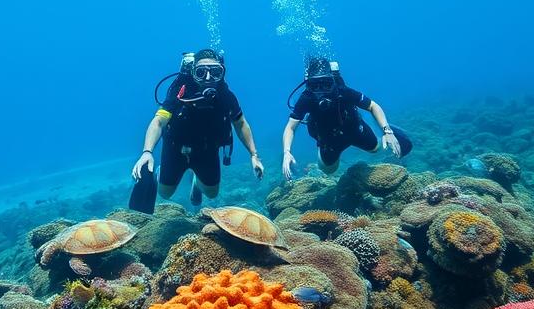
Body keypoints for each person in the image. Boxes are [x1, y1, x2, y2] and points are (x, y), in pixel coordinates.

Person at [132, 49, 264, 206]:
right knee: (165, 194)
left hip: (207, 150)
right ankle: (161, 173)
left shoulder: (226, 96)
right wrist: (147, 153)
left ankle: (196, 181)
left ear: (222, 73)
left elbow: (240, 123)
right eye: (201, 72)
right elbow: (159, 121)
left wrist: (254, 155)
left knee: (212, 194)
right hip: (176, 149)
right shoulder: (179, 93)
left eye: (215, 72)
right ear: (193, 73)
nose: (208, 78)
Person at [282, 57, 411, 179]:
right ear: (308, 84)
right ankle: (321, 147)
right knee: (328, 170)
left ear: (332, 80)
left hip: (354, 128)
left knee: (376, 149)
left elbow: (372, 106)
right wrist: (287, 152)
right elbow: (291, 127)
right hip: (328, 139)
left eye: (326, 84)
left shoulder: (342, 91)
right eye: (315, 85)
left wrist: (387, 130)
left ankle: (383, 127)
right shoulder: (306, 98)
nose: (321, 91)